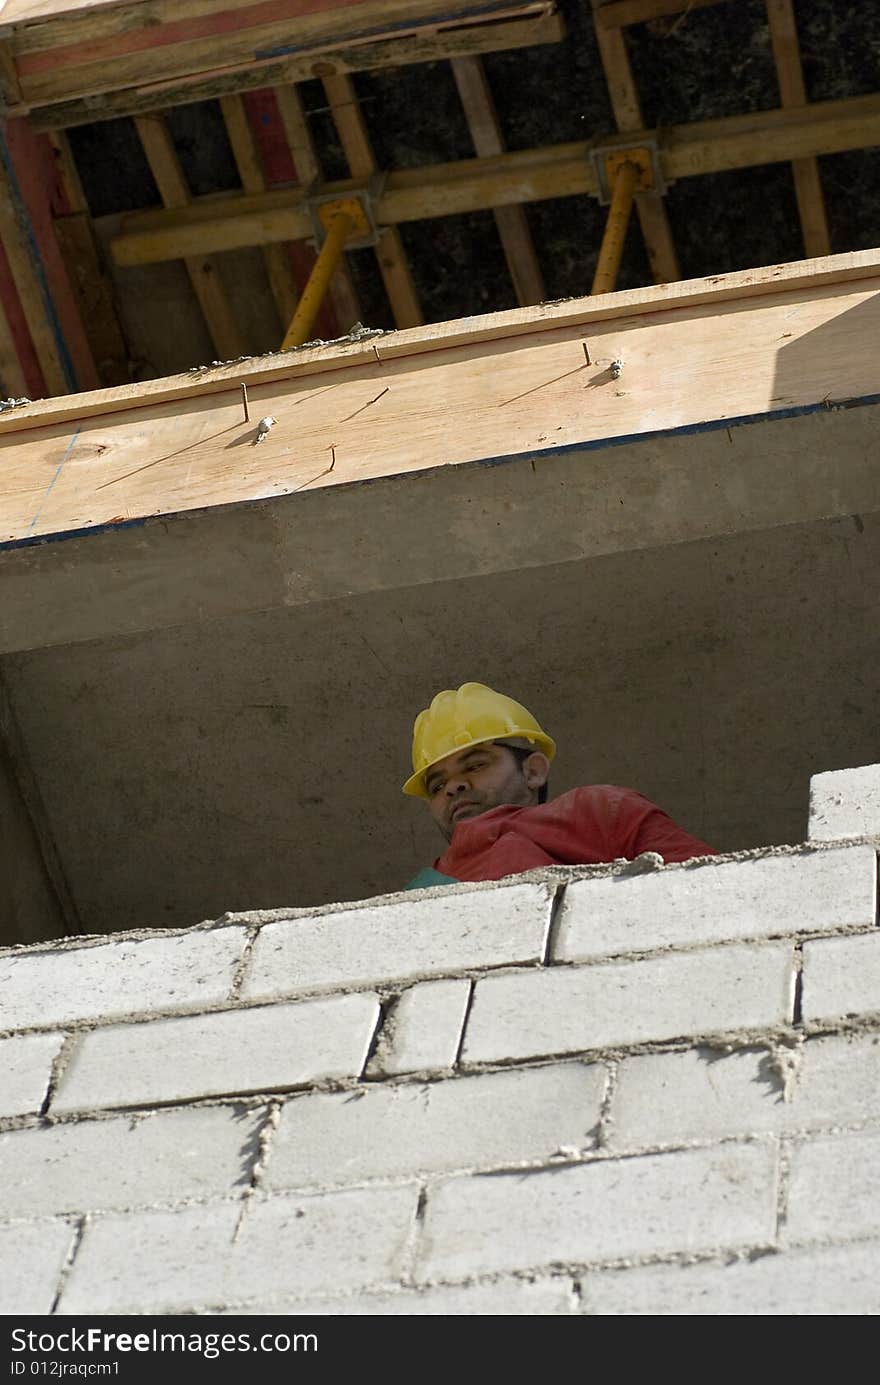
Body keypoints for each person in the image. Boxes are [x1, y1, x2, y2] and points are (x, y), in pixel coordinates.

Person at [402, 682, 715, 888]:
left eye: (475, 765)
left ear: (534, 771)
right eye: (437, 785)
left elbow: (709, 884)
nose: (453, 787)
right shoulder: (422, 892)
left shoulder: (600, 813)